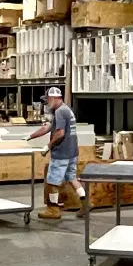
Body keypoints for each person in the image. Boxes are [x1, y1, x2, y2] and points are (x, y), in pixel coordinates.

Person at [29, 86, 81, 221]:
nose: (47, 103)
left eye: (48, 100)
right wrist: (31, 136)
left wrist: (48, 146)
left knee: (52, 181)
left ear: (53, 98)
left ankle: (53, 209)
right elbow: (48, 127)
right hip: (72, 151)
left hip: (61, 153)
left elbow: (60, 133)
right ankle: (86, 202)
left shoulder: (60, 112)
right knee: (72, 178)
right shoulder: (66, 109)